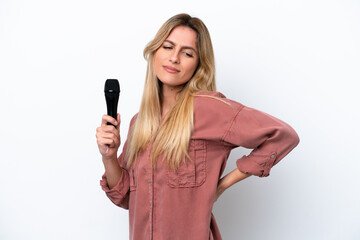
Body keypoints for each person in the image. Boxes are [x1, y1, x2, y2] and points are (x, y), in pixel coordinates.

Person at [96, 13, 300, 240]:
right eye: (168, 47)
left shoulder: (209, 109)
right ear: (155, 52)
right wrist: (109, 157)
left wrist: (221, 187)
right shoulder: (139, 122)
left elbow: (283, 136)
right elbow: (124, 197)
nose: (174, 58)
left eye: (187, 53)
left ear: (198, 65)